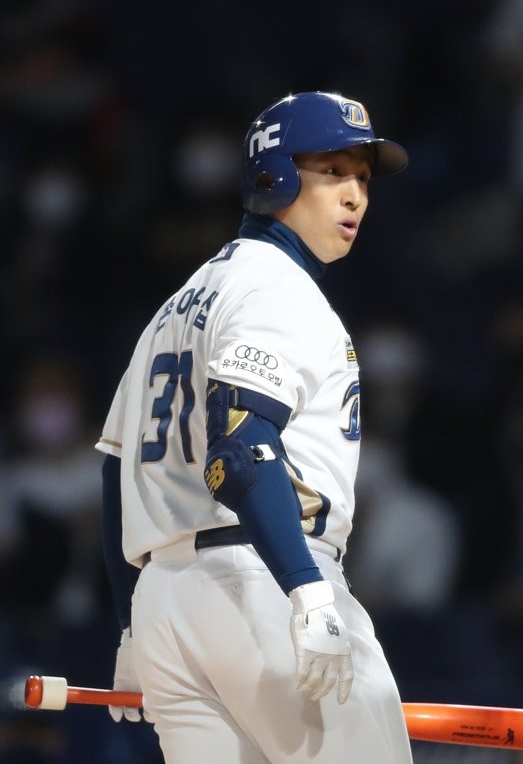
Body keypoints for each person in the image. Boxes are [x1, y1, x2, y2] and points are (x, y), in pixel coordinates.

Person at [96, 91, 414, 764]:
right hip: (264, 578)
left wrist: (131, 623)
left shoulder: (176, 304)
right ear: (276, 175)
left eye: (361, 176)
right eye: (332, 171)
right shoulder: (277, 289)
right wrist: (307, 591)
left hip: (166, 602)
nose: (355, 194)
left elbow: (114, 471)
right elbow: (243, 450)